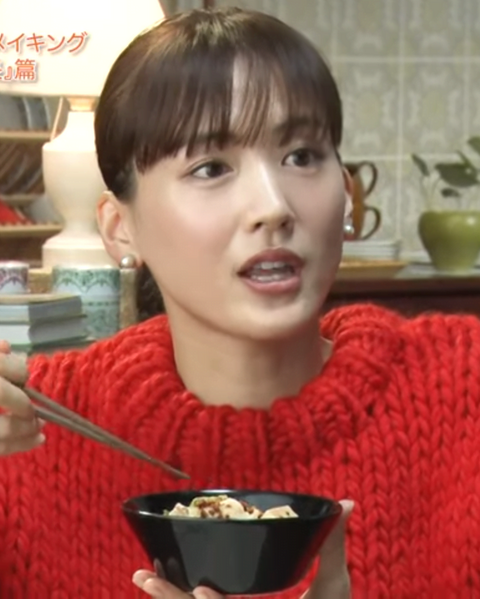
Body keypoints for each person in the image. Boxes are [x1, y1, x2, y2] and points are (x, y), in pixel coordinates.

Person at [0, 6, 479, 599]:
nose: (273, 206)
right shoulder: (28, 427)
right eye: (211, 168)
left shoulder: (464, 388)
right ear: (120, 228)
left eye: (302, 156)